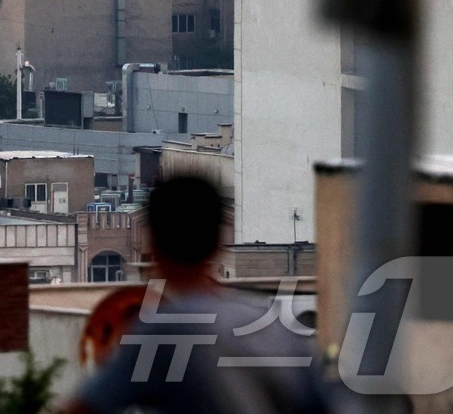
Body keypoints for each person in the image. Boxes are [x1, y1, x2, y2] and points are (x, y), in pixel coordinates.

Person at [67, 175, 331, 413]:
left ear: (153, 246)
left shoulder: (165, 330)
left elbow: (85, 408)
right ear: (218, 243)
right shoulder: (273, 324)